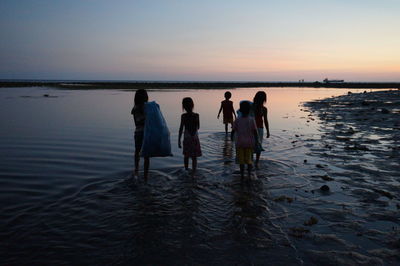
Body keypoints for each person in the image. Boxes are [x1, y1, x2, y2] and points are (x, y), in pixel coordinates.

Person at [231, 101, 260, 180]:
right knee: (249, 160)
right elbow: (255, 132)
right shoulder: (252, 120)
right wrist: (257, 141)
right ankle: (249, 174)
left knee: (241, 161)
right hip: (249, 143)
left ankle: (242, 175)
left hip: (240, 143)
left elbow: (233, 131)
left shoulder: (237, 120)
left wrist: (231, 138)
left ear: (240, 110)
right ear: (249, 110)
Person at [178, 97, 202, 177]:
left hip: (187, 138)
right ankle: (194, 172)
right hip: (194, 138)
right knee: (194, 157)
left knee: (186, 156)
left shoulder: (183, 116)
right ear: (193, 105)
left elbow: (181, 129)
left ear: (184, 107)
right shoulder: (197, 115)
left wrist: (178, 140)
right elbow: (198, 127)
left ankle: (186, 170)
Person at [131, 89, 150, 178]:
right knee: (146, 154)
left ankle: (136, 171)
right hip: (145, 133)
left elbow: (136, 123)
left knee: (137, 151)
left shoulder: (135, 108)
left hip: (138, 132)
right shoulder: (147, 108)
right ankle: (145, 175)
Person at [253, 91, 270, 168]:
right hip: (259, 128)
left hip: (251, 128)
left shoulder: (251, 106)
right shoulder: (264, 109)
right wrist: (268, 131)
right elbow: (266, 120)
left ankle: (250, 161)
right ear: (264, 99)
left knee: (250, 144)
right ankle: (256, 162)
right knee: (259, 145)